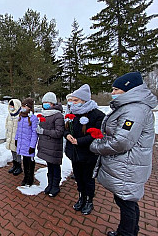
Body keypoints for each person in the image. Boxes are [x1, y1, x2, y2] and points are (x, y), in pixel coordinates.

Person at [90, 72, 157, 236]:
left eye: (116, 89)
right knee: (127, 202)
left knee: (126, 202)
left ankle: (126, 233)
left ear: (129, 89)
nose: (112, 93)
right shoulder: (130, 107)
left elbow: (122, 142)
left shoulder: (134, 110)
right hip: (128, 165)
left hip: (128, 166)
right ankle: (130, 231)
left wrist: (96, 146)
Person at [64, 84, 105, 215]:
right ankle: (81, 197)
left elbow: (96, 134)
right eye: (72, 100)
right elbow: (65, 129)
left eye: (76, 100)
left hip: (88, 155)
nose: (72, 103)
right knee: (79, 178)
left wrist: (79, 141)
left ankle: (89, 200)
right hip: (74, 153)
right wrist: (67, 135)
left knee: (88, 179)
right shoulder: (72, 113)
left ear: (84, 100)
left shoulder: (97, 115)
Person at [36, 92, 65, 197]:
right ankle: (50, 184)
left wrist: (43, 131)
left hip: (54, 146)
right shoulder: (44, 114)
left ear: (53, 103)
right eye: (44, 102)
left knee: (55, 167)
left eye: (47, 102)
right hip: (45, 146)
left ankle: (55, 186)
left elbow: (59, 132)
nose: (45, 104)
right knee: (49, 166)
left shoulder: (58, 115)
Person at [15, 98, 38, 186]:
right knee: (24, 161)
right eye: (22, 106)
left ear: (29, 107)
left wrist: (32, 146)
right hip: (22, 143)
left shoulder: (33, 118)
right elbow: (18, 130)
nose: (23, 107)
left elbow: (34, 133)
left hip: (28, 144)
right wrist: (16, 139)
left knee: (30, 161)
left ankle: (30, 178)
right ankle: (25, 176)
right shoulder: (20, 116)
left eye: (25, 106)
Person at [5, 99, 22, 175]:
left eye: (13, 105)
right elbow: (7, 125)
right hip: (10, 137)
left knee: (17, 152)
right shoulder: (9, 114)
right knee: (12, 151)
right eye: (11, 105)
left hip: (17, 138)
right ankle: (14, 165)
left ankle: (19, 167)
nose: (12, 107)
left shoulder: (20, 115)